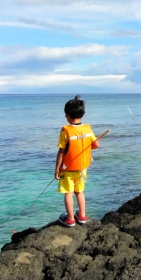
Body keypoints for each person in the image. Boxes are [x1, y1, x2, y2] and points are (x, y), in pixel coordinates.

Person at [54, 95, 100, 227]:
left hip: (68, 168)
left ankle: (70, 219)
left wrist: (57, 169)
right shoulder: (87, 129)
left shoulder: (65, 131)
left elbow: (61, 152)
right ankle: (82, 216)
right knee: (79, 191)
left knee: (68, 192)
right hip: (82, 168)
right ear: (83, 115)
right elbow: (96, 145)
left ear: (66, 115)